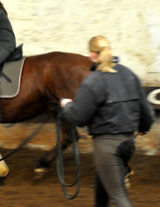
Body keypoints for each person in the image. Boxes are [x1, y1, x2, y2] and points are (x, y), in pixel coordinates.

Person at [60, 35, 155, 207]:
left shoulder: (93, 82)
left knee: (118, 196)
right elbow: (146, 112)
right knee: (103, 188)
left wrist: (67, 106)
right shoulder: (129, 74)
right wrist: (143, 127)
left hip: (107, 146)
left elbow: (79, 118)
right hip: (128, 142)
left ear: (91, 55)